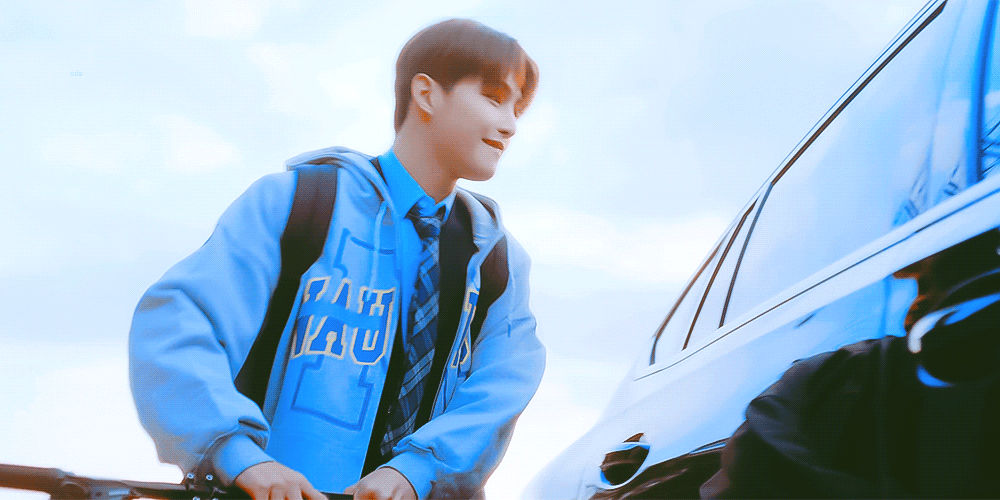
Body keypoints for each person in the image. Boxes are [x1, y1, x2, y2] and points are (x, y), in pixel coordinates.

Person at [129, 19, 544, 500]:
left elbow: (502, 384)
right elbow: (178, 323)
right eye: (494, 98)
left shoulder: (495, 257)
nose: (510, 125)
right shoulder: (298, 203)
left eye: (517, 108)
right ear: (426, 94)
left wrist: (416, 469)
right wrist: (241, 456)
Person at [699, 229, 1000, 499]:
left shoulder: (826, 378)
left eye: (925, 284)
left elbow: (750, 471)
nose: (912, 308)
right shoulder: (832, 378)